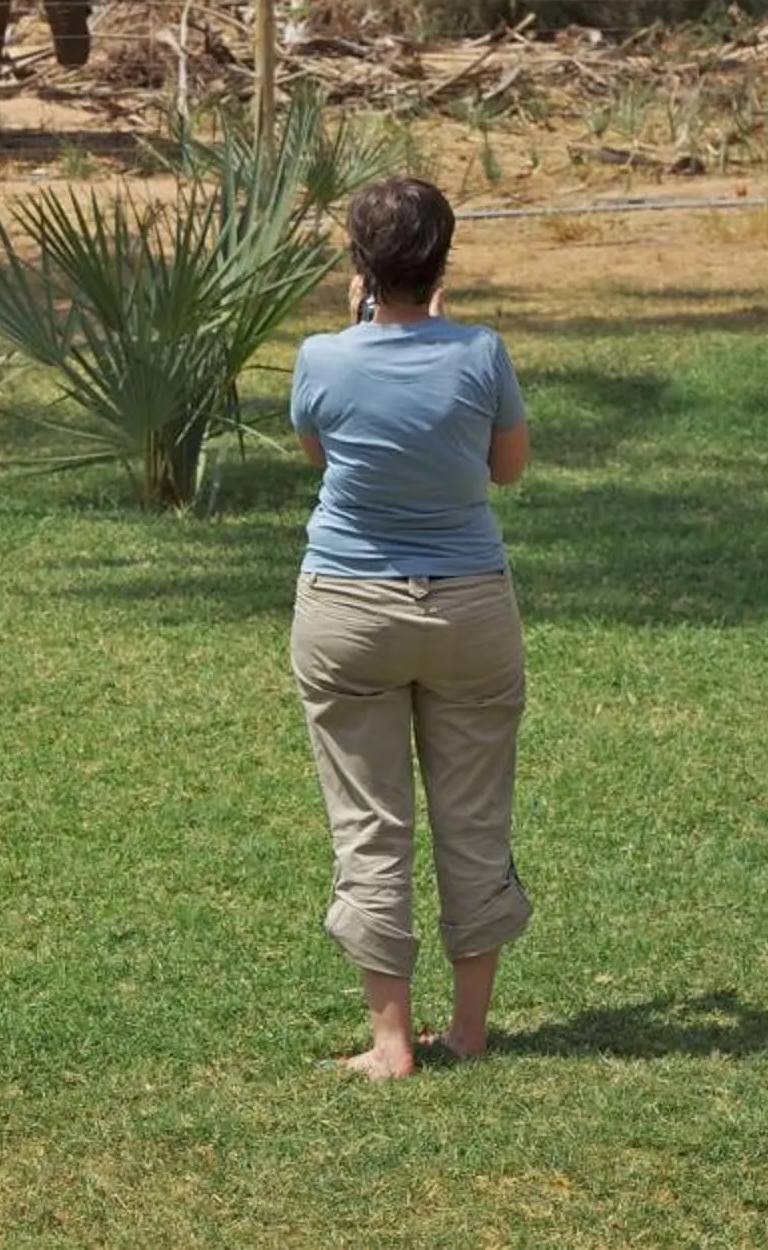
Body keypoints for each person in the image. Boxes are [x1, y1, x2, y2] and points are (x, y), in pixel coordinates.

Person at [288, 175, 533, 1080]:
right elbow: (508, 468)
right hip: (469, 607)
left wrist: (359, 330)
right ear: (443, 262)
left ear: (359, 266)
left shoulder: (322, 357)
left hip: (348, 608)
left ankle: (390, 1042)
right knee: (475, 817)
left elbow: (318, 452)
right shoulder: (482, 353)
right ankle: (467, 1030)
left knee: (369, 819)